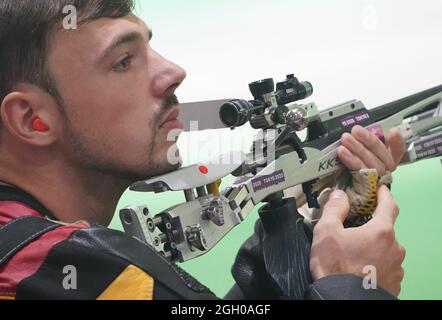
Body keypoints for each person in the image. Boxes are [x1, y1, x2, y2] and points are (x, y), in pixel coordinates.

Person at [0, 0, 406, 300]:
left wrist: (295, 243)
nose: (174, 72)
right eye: (123, 61)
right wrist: (354, 286)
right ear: (32, 118)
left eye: (151, 48)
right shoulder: (70, 268)